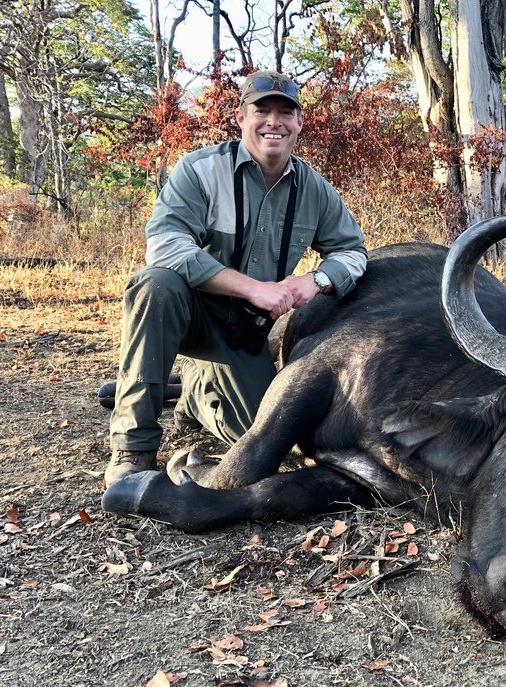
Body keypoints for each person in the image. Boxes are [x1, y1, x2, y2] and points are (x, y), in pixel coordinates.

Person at [105, 70, 367, 487]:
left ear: (300, 123)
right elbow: (164, 247)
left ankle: (192, 396)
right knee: (155, 284)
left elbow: (353, 252)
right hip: (188, 313)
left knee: (268, 438)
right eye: (262, 110)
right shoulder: (201, 170)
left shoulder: (314, 189)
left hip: (247, 330)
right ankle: (133, 448)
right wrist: (255, 289)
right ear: (241, 117)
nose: (274, 122)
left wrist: (314, 281)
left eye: (286, 113)